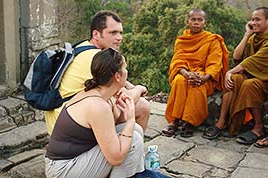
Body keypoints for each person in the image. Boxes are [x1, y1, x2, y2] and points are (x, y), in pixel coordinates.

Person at [45, 10, 150, 135]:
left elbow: (116, 76)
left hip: (61, 117)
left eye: (120, 33)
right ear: (96, 34)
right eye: (113, 33)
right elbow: (125, 99)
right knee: (142, 106)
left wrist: (129, 85)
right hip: (70, 126)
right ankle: (130, 150)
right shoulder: (95, 58)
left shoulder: (83, 47)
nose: (119, 38)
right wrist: (138, 89)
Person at [45, 48, 145, 178]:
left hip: (77, 159)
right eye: (125, 68)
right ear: (117, 76)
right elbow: (116, 158)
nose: (127, 72)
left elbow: (115, 120)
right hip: (63, 169)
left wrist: (125, 104)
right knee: (133, 140)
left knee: (136, 130)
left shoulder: (101, 93)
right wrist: (131, 120)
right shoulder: (97, 105)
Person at [203, 7, 268, 145]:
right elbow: (237, 56)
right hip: (252, 75)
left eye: (258, 19)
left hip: (264, 79)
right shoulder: (253, 38)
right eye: (252, 19)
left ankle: (258, 128)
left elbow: (253, 60)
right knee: (234, 79)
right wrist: (247, 35)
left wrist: (230, 71)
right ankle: (221, 123)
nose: (253, 22)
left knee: (248, 84)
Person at [162, 8, 229, 138]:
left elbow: (215, 63)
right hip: (185, 73)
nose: (196, 22)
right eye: (193, 19)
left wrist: (205, 77)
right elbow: (177, 60)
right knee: (179, 81)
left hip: (205, 76)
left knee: (196, 85)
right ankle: (174, 121)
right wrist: (186, 74)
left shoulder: (212, 40)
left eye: (200, 20)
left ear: (205, 23)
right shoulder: (182, 40)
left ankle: (190, 122)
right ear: (188, 22)